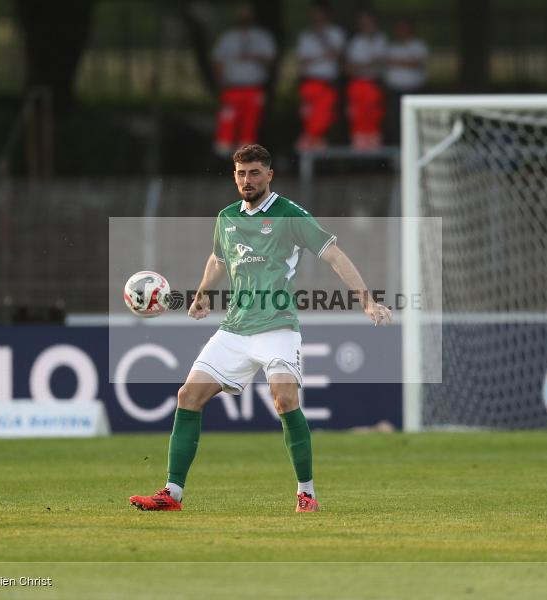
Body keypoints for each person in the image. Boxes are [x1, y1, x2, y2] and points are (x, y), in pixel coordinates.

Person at [129, 144, 393, 513]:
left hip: (277, 327)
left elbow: (333, 254)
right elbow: (220, 259)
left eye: (254, 173)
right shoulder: (226, 217)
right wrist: (204, 293)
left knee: (285, 401)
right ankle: (171, 494)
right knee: (188, 396)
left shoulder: (289, 215)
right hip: (235, 328)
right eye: (240, 173)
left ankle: (306, 493)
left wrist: (367, 300)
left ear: (269, 175)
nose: (247, 180)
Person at [211, 5, 277, 157]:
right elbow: (217, 62)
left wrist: (255, 57)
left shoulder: (262, 37)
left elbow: (271, 61)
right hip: (232, 88)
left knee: (250, 126)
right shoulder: (227, 38)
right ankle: (223, 161)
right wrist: (220, 81)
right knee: (227, 126)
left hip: (253, 88)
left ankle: (247, 161)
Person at [295, 3, 345, 151]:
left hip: (327, 83)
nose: (316, 18)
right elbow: (302, 61)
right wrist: (322, 56)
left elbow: (336, 55)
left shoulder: (336, 33)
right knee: (309, 116)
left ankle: (309, 139)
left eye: (319, 14)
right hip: (310, 82)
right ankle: (315, 143)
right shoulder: (305, 35)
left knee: (325, 115)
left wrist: (321, 38)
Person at [345, 9, 388, 151]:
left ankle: (374, 149)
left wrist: (362, 65)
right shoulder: (355, 42)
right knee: (358, 116)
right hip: (358, 85)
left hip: (373, 84)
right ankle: (358, 149)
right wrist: (367, 64)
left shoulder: (381, 40)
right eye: (363, 22)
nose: (366, 25)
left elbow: (381, 62)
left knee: (373, 116)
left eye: (368, 22)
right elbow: (349, 67)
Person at [383, 19, 428, 146]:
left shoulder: (419, 45)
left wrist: (396, 62)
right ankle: (396, 156)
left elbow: (418, 64)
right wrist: (406, 62)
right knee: (396, 123)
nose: (401, 31)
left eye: (404, 28)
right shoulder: (390, 47)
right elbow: (384, 63)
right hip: (395, 92)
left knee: (416, 123)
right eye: (399, 28)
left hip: (415, 91)